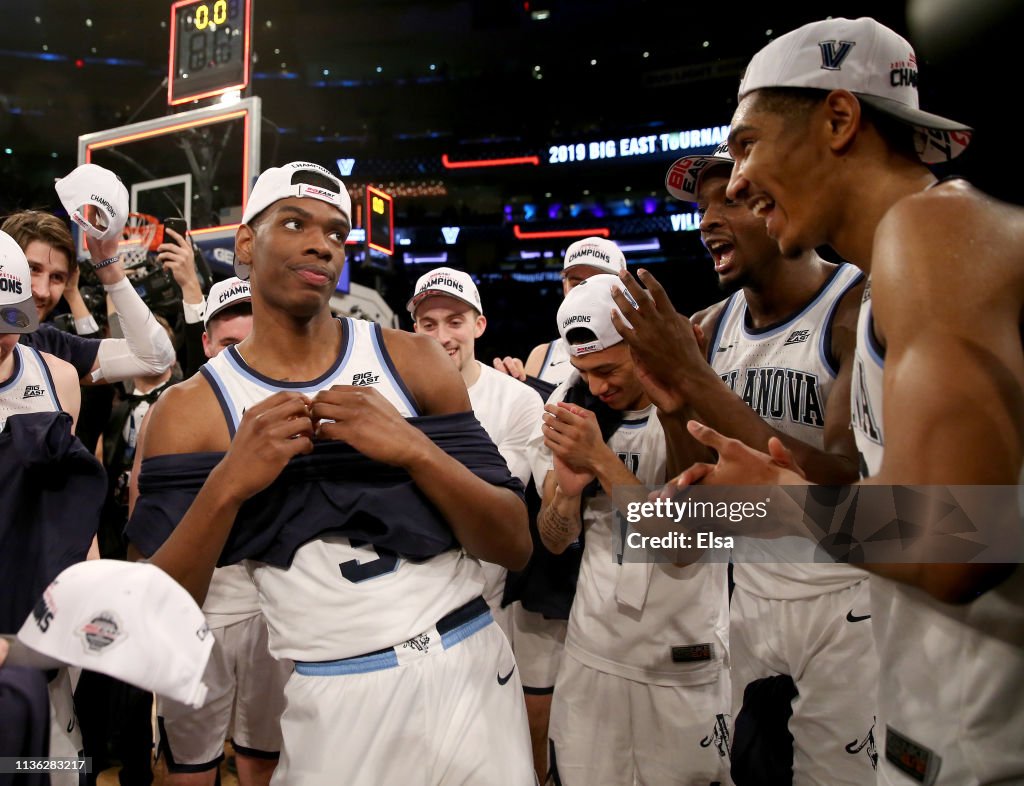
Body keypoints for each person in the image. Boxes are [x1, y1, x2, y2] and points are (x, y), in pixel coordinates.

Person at [649, 17, 1023, 786]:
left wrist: (772, 502)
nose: (740, 181)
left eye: (747, 144)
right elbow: (913, 502)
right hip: (936, 724)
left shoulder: (931, 229)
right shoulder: (914, 259)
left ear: (839, 118)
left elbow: (959, 539)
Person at [128, 161, 535, 785]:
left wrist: (412, 449)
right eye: (294, 223)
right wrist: (229, 483)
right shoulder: (191, 410)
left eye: (335, 231)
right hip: (337, 692)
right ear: (245, 242)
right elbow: (152, 613)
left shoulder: (413, 359)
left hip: (472, 667)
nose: (321, 242)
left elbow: (513, 542)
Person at [621, 143, 876, 783]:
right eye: (702, 206)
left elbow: (848, 485)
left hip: (847, 596)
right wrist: (676, 404)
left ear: (773, 203)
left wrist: (696, 380)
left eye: (729, 200)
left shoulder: (856, 304)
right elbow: (695, 522)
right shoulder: (707, 325)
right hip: (747, 599)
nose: (707, 220)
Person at [533, 274, 730, 786]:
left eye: (608, 368)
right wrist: (569, 492)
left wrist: (600, 461)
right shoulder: (571, 400)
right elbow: (553, 540)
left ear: (642, 345)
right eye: (584, 371)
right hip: (591, 651)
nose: (597, 386)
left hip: (684, 657)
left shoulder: (705, 404)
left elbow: (686, 545)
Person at [132, 276, 287, 786]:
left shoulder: (289, 406)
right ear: (205, 341)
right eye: (227, 344)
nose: (240, 356)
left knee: (264, 758)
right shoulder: (173, 410)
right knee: (190, 764)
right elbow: (144, 524)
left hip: (276, 611)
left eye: (250, 341)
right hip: (197, 613)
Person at [0, 228, 98, 786]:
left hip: (40, 608)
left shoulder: (56, 375)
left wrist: (87, 592)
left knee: (54, 764)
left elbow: (71, 509)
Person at [409, 266, 544, 639]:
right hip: (406, 603)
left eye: (455, 322)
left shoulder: (517, 400)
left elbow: (494, 512)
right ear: (415, 330)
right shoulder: (392, 397)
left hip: (483, 603)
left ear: (478, 325)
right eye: (429, 324)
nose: (442, 336)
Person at [2, 209, 176, 386]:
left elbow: (156, 358)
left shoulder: (52, 346)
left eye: (57, 277)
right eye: (32, 269)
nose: (43, 291)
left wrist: (109, 271)